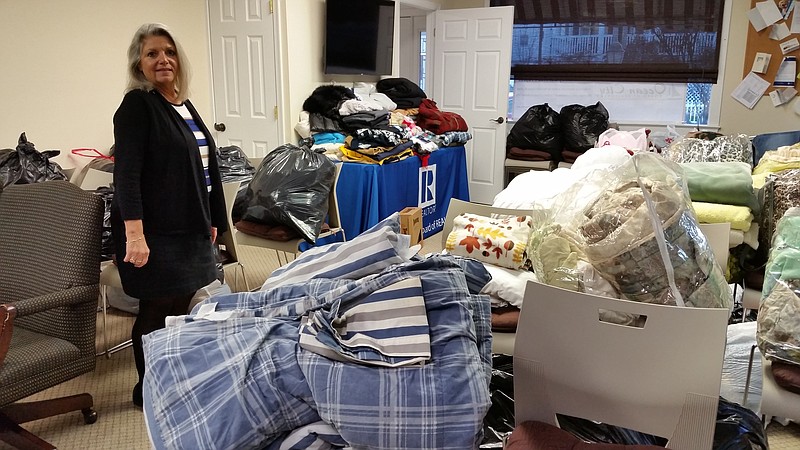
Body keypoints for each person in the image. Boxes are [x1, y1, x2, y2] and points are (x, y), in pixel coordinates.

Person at [111, 23, 228, 408]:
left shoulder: (184, 104)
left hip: (189, 227)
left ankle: (171, 376)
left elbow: (204, 170)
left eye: (169, 52)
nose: (163, 59)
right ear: (139, 65)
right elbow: (126, 175)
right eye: (152, 54)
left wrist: (210, 220)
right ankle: (147, 390)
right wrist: (135, 236)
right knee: (156, 309)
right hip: (154, 231)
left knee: (181, 307)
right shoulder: (137, 106)